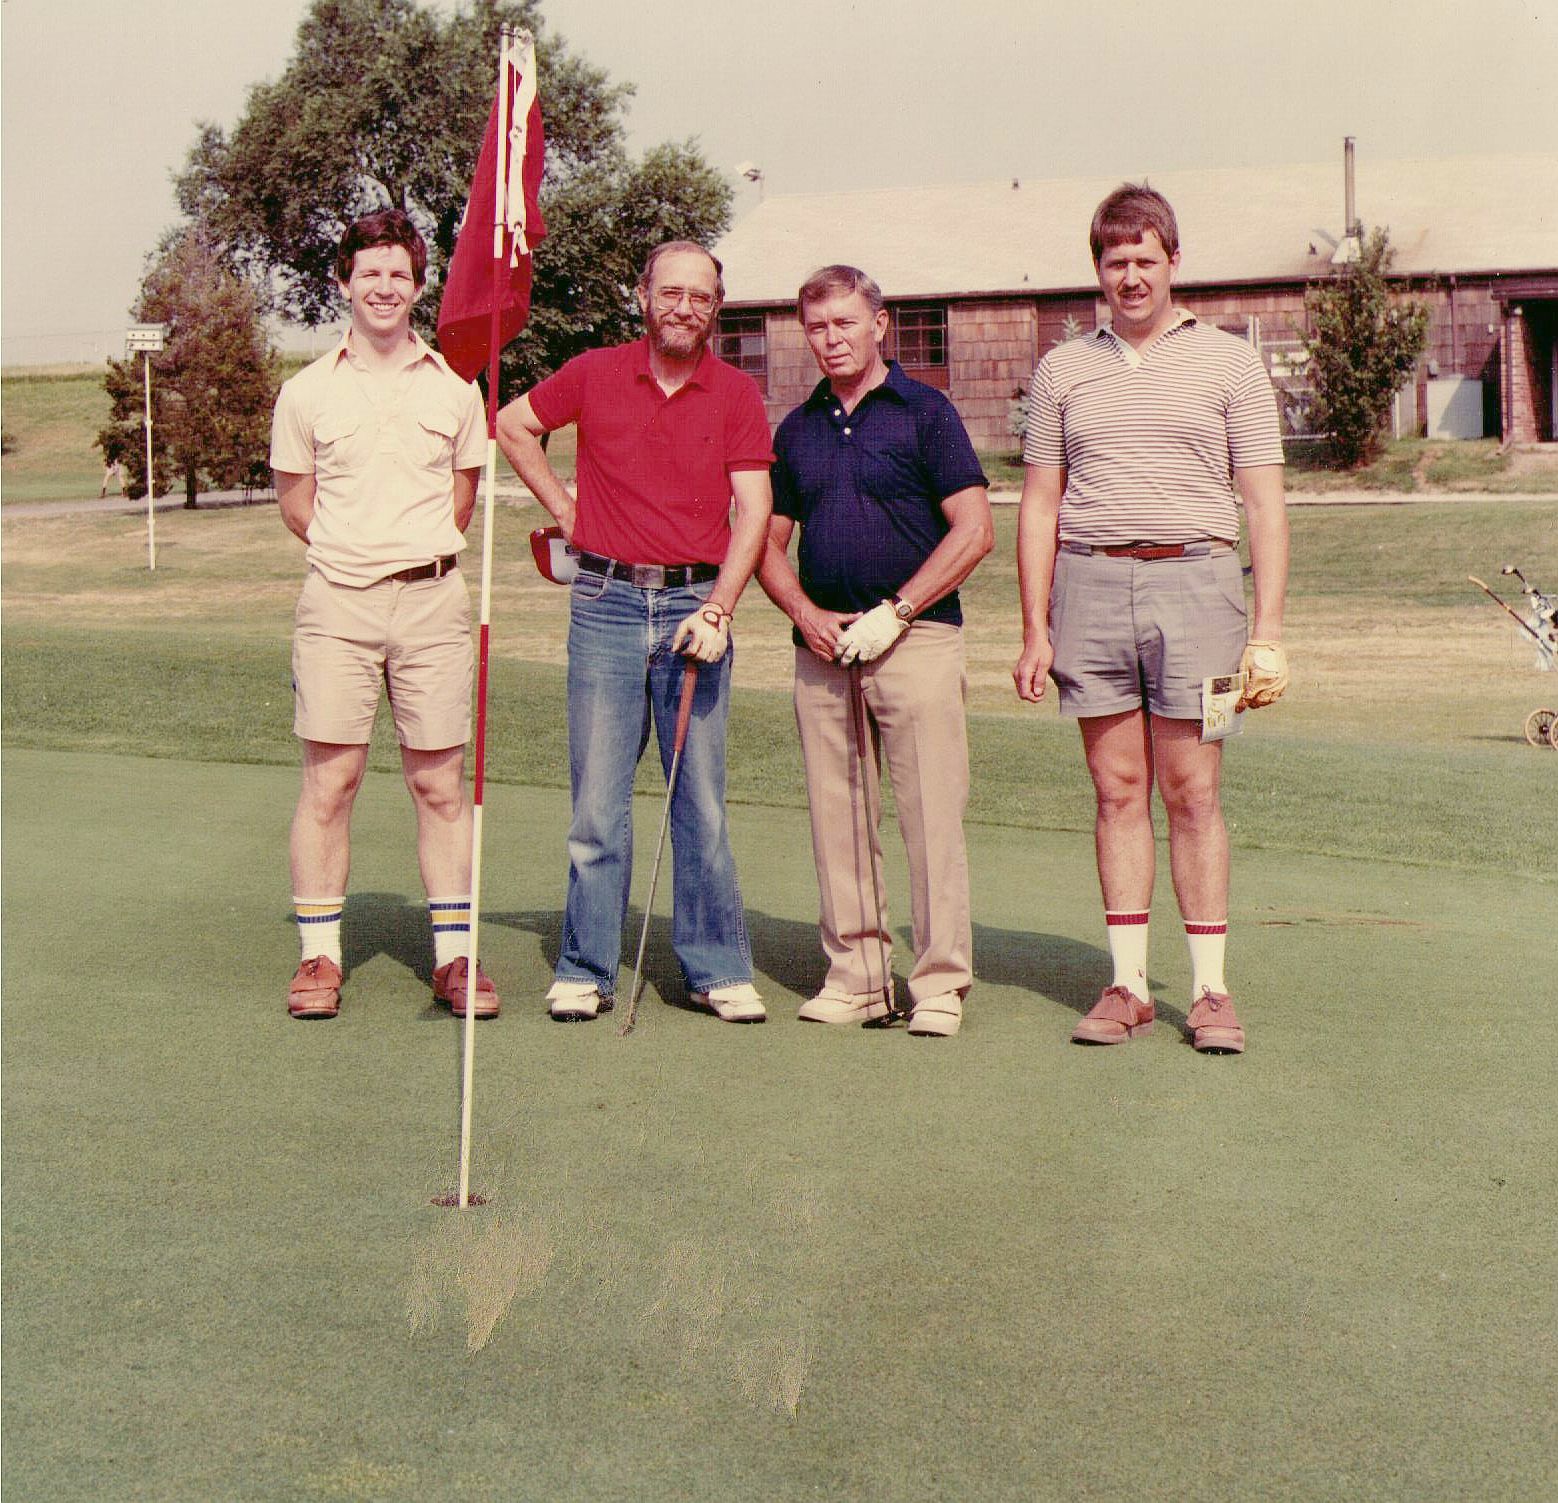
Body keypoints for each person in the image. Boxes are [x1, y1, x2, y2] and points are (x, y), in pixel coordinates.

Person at [1013, 183, 1290, 1054]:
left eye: (1145, 259)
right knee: (1116, 789)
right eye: (1113, 261)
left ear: (1173, 261)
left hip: (1198, 588)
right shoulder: (1063, 367)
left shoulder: (1229, 361)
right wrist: (1034, 627)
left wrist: (1269, 628)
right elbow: (1038, 505)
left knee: (1194, 792)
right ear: (1096, 268)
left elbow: (1265, 505)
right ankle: (1128, 983)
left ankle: (1209, 992)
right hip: (1089, 589)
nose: (1129, 277)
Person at [495, 241, 774, 1023]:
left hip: (695, 607)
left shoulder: (736, 394)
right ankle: (585, 965)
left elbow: (752, 511)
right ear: (642, 295)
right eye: (671, 292)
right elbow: (514, 425)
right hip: (607, 604)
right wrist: (565, 509)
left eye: (701, 297)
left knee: (703, 805)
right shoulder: (593, 371)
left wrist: (720, 610)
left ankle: (717, 967)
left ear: (716, 308)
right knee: (596, 805)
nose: (685, 307)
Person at [270, 208, 498, 1022]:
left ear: (418, 283)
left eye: (399, 273)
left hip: (433, 600)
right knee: (331, 780)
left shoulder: (454, 387)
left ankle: (453, 959)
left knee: (439, 782)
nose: (384, 287)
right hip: (338, 602)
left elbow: (461, 500)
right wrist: (359, 555)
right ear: (343, 281)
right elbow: (298, 503)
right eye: (369, 272)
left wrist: (409, 556)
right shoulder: (305, 391)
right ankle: (319, 958)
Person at [759, 266, 993, 1037]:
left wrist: (897, 612)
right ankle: (857, 974)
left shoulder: (926, 413)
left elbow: (973, 530)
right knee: (838, 815)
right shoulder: (796, 429)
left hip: (915, 637)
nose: (832, 339)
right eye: (818, 327)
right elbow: (766, 542)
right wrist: (803, 610)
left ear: (879, 324)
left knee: (929, 813)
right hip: (822, 646)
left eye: (845, 323)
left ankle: (937, 981)